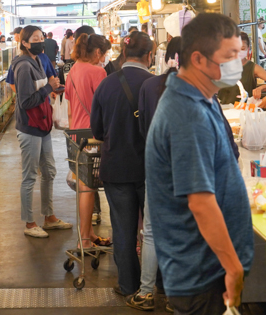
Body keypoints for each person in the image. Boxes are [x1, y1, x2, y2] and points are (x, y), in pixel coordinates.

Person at [145, 13, 253, 314]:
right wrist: (233, 268)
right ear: (199, 59)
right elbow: (200, 203)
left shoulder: (201, 98)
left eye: (239, 54)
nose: (238, 62)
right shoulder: (186, 114)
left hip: (206, 269)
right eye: (229, 55)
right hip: (203, 275)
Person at [90, 31, 156, 298]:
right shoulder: (155, 84)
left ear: (124, 53)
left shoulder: (106, 84)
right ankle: (157, 285)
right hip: (149, 168)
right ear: (150, 56)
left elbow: (97, 129)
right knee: (153, 231)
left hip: (116, 167)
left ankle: (128, 285)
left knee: (123, 229)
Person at [127, 38, 183, 310]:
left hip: (158, 166)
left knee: (150, 231)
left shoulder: (149, 85)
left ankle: (146, 292)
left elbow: (143, 127)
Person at [11, 25, 71, 238]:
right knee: (29, 177)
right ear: (25, 43)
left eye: (41, 37)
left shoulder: (36, 61)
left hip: (43, 126)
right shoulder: (23, 66)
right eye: (34, 38)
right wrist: (49, 87)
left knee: (49, 172)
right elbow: (26, 101)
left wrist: (50, 89)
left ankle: (49, 216)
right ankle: (29, 224)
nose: (40, 41)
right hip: (30, 128)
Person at [64, 33, 112, 249]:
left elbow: (70, 107)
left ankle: (88, 233)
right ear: (98, 52)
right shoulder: (98, 71)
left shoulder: (73, 70)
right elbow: (104, 107)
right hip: (93, 136)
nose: (105, 58)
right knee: (88, 189)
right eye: (105, 53)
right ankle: (84, 240)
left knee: (84, 187)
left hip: (76, 135)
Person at [217, 32, 266, 105]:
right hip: (223, 110)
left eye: (242, 48)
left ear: (248, 48)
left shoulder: (253, 68)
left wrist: (261, 88)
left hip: (244, 111)